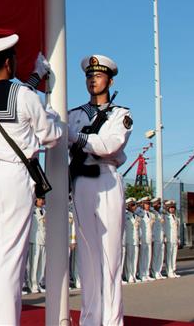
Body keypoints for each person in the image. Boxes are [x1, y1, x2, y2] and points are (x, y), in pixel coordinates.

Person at [0, 34, 62, 326]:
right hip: (14, 177)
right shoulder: (24, 96)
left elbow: (14, 96)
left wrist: (35, 76)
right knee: (9, 260)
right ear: (9, 63)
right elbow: (50, 136)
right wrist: (53, 115)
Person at [68, 55, 133, 326]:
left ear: (110, 81)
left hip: (107, 179)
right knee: (87, 256)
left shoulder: (121, 114)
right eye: (89, 76)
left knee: (110, 255)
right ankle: (90, 319)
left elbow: (110, 146)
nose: (92, 80)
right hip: (82, 181)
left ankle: (112, 320)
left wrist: (78, 138)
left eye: (98, 75)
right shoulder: (73, 115)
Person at [28, 197, 46, 294]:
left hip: (43, 240)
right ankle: (33, 285)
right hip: (34, 240)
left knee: (41, 264)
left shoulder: (45, 211)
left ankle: (39, 283)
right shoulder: (32, 210)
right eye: (40, 199)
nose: (42, 201)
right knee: (34, 264)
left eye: (43, 199)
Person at [136, 197, 154, 282]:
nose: (148, 205)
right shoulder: (139, 213)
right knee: (142, 257)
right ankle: (141, 273)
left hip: (149, 237)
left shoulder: (150, 214)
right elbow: (138, 227)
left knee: (148, 256)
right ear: (142, 204)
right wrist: (139, 237)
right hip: (143, 237)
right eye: (146, 204)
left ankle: (147, 273)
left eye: (149, 204)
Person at [123, 198, 140, 284]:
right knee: (129, 259)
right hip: (129, 240)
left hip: (136, 240)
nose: (134, 207)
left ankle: (133, 275)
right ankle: (128, 275)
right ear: (128, 206)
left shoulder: (136, 216)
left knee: (135, 258)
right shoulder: (125, 216)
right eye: (132, 205)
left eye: (135, 205)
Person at [164, 200, 181, 278]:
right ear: (167, 208)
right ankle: (169, 271)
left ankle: (173, 270)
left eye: (173, 207)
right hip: (169, 238)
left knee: (174, 255)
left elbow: (177, 229)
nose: (172, 209)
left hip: (174, 239)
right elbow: (164, 228)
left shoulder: (176, 218)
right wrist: (165, 237)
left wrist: (178, 238)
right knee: (169, 255)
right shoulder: (166, 217)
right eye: (170, 207)